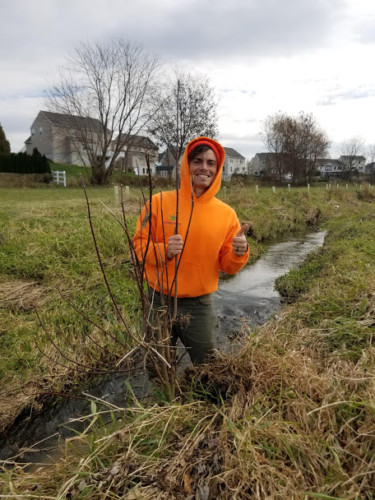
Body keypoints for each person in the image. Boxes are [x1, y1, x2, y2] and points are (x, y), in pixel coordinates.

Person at [133, 137, 249, 364]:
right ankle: (165, 398)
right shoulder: (158, 203)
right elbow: (138, 246)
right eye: (197, 161)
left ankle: (201, 400)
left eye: (211, 163)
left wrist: (238, 253)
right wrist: (163, 251)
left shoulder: (226, 215)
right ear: (187, 165)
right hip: (159, 301)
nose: (204, 167)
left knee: (207, 365)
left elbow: (227, 266)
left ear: (217, 170)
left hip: (199, 305)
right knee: (157, 364)